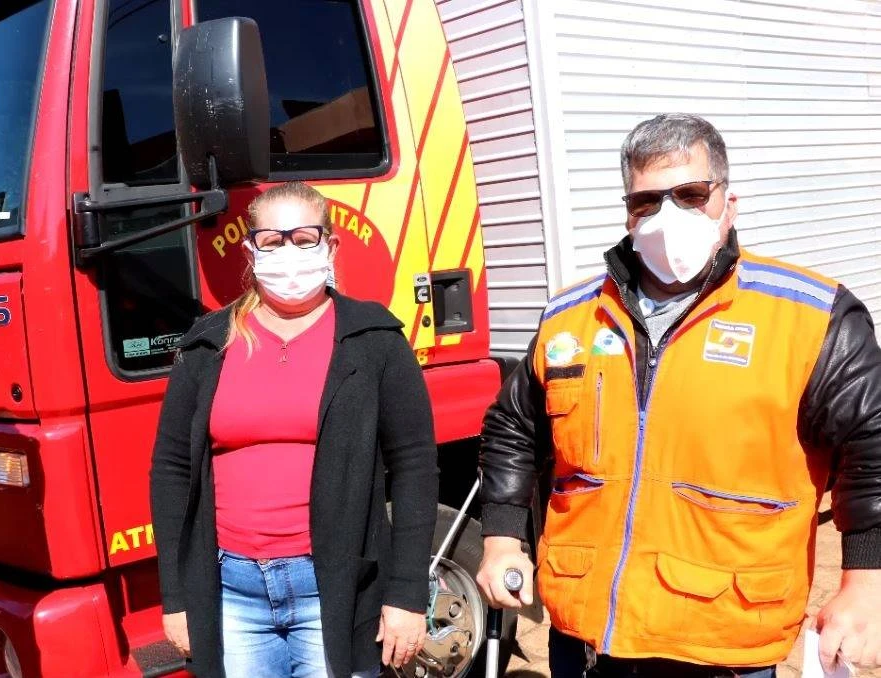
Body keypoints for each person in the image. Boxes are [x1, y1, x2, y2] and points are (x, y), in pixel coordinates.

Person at [474, 113, 881, 677]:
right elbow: (513, 428)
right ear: (628, 212)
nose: (668, 217)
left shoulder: (811, 316)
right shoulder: (571, 318)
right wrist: (500, 538)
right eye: (647, 201)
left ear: (728, 204)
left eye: (690, 195)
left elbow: (871, 447)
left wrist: (867, 583)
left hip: (718, 642)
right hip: (585, 637)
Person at [149, 181, 438, 678]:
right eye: (272, 241)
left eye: (304, 239)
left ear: (331, 245)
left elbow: (415, 467)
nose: (289, 253)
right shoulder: (207, 344)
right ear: (250, 251)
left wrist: (407, 594)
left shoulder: (375, 339)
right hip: (231, 592)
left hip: (335, 588)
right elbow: (171, 470)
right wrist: (176, 597)